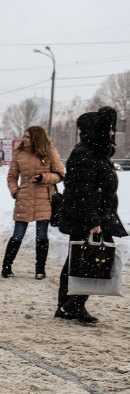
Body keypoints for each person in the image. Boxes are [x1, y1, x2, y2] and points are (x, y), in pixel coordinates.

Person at [55, 106, 127, 325]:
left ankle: (68, 305)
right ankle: (71, 305)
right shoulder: (84, 154)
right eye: (109, 129)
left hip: (96, 215)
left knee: (80, 258)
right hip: (88, 217)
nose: (113, 133)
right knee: (85, 259)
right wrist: (93, 221)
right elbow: (81, 191)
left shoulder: (95, 153)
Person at [1, 126, 64, 278]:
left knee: (42, 236)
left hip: (44, 199)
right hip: (24, 198)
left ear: (36, 138)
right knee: (17, 234)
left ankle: (40, 270)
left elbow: (60, 174)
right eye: (24, 136)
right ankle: (6, 267)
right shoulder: (19, 154)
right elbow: (12, 177)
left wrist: (44, 178)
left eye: (28, 137)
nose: (25, 139)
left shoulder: (49, 151)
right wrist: (15, 191)